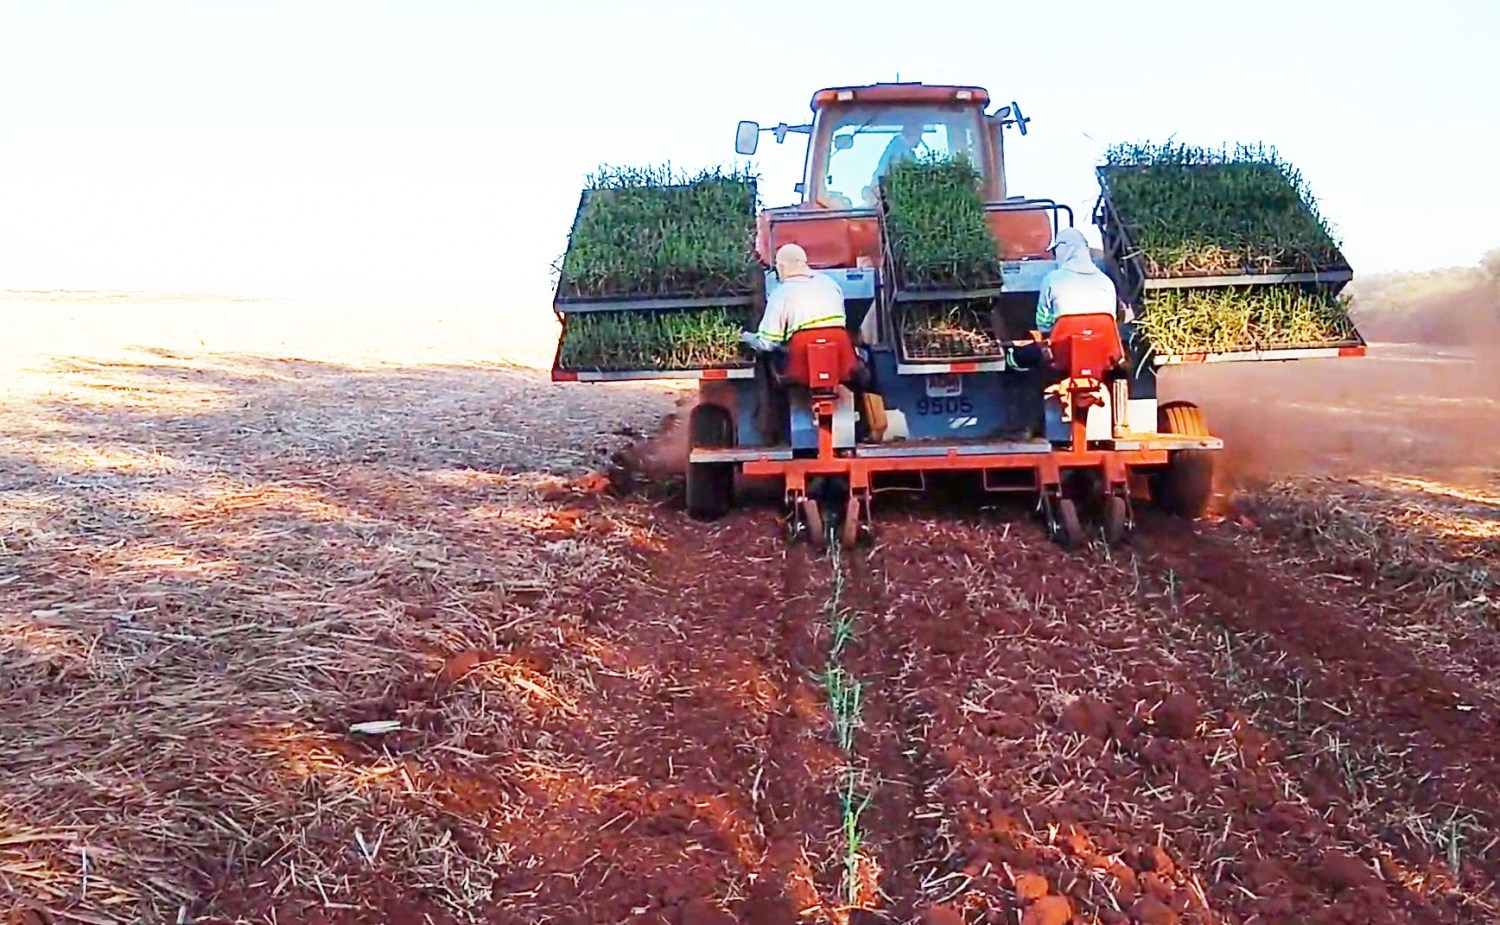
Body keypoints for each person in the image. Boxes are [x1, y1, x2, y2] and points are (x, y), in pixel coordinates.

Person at [743, 243, 860, 442]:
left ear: (782, 267)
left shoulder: (781, 293)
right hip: (840, 360)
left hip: (800, 367)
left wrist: (745, 337)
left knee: (768, 363)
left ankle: (774, 432)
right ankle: (860, 430)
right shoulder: (830, 284)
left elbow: (767, 342)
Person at [1007, 227, 1125, 370]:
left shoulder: (1052, 279)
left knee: (1016, 357)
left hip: (1062, 354)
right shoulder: (1106, 282)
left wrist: (1049, 332)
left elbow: (1043, 322)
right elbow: (1111, 320)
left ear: (1063, 251)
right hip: (1103, 353)